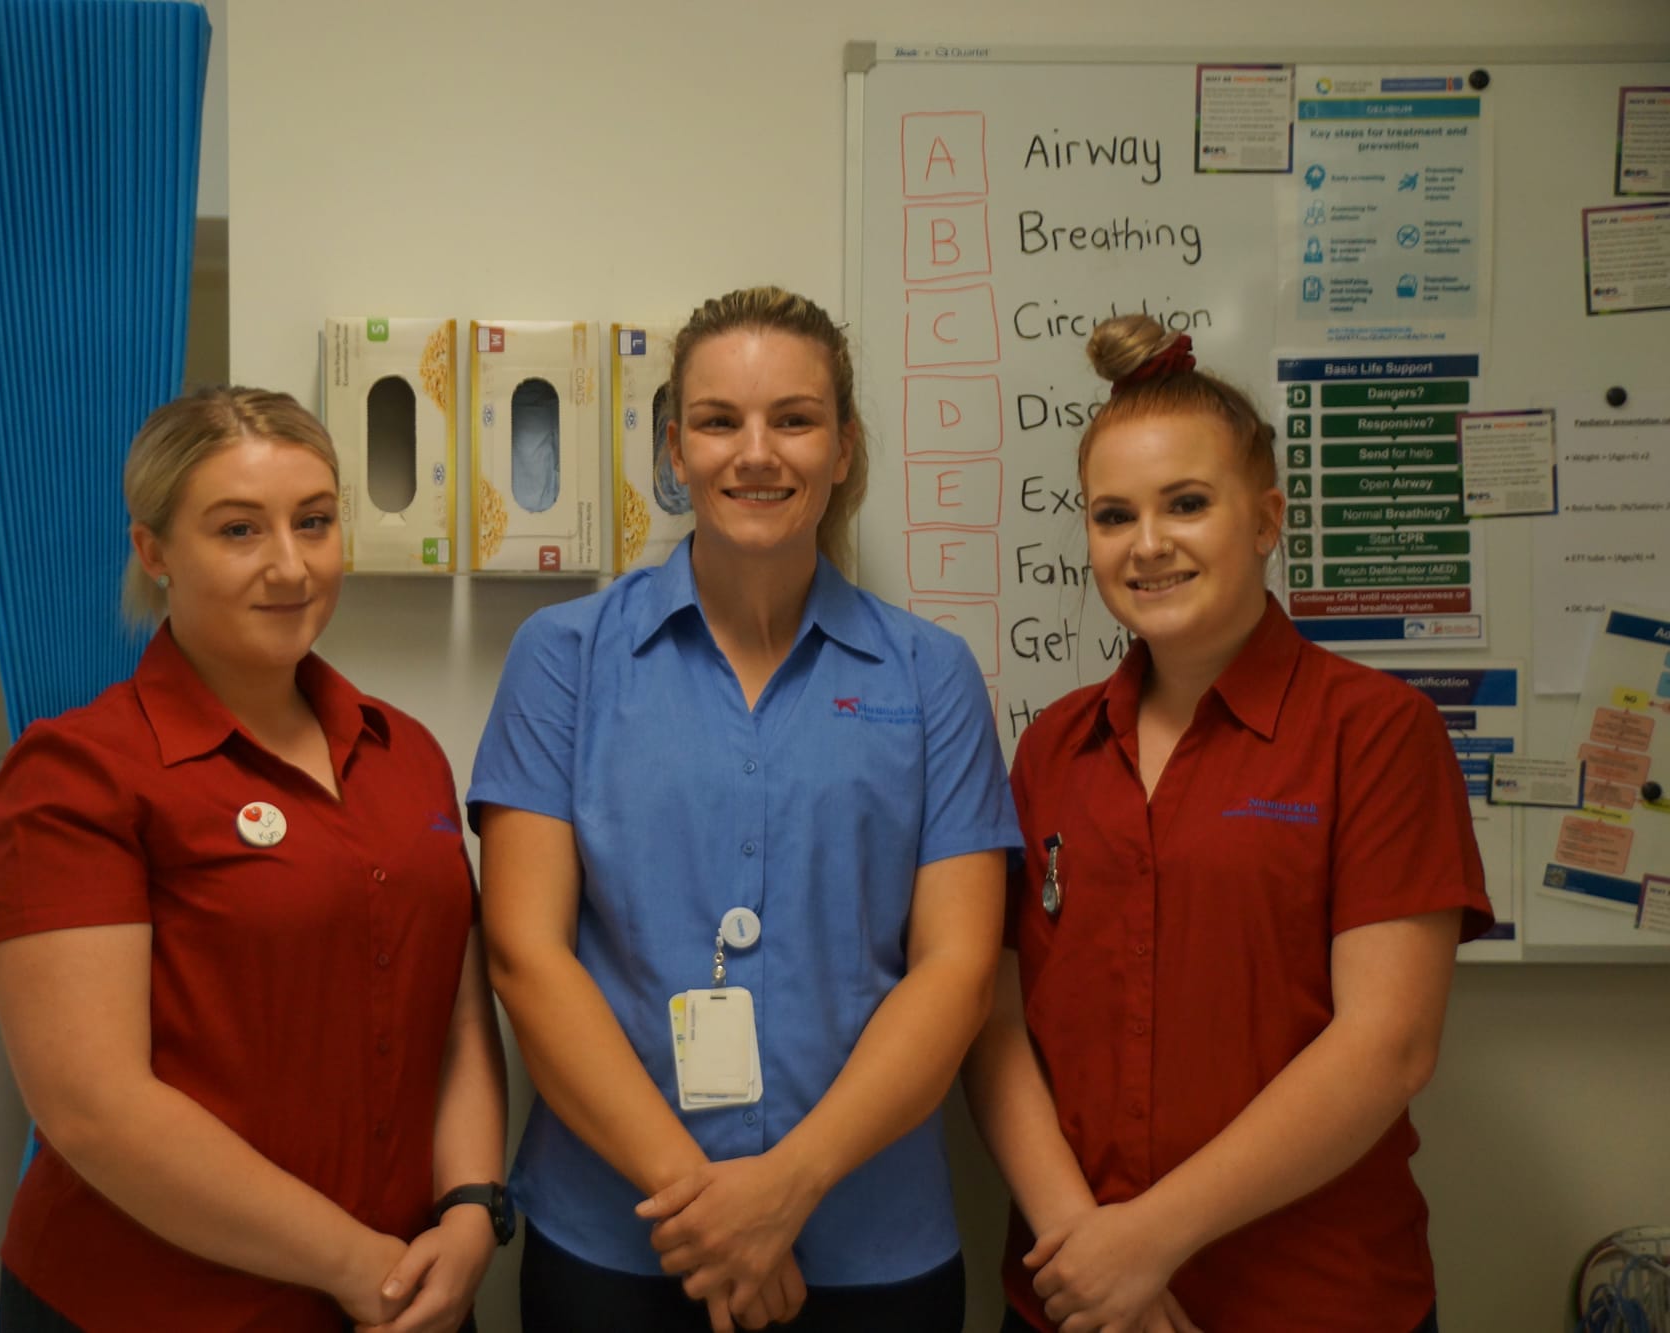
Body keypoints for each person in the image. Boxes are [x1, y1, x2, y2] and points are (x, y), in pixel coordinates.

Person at [470, 286, 1020, 1333]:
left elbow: (955, 971)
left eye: (795, 420)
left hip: (869, 1241)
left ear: (845, 448)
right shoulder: (565, 659)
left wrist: (785, 1188)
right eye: (719, 421)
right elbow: (524, 957)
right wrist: (709, 1209)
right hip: (622, 1232)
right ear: (673, 450)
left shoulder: (931, 674)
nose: (755, 453)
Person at [962, 317, 1493, 1333]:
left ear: (1264, 519)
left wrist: (1146, 1240)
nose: (1146, 543)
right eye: (1112, 515)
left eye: (1186, 504)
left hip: (1310, 1300)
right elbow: (992, 1023)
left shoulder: (1375, 733)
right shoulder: (1052, 751)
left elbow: (1388, 1045)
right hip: (1075, 1299)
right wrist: (1088, 1245)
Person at [0, 387, 508, 1333]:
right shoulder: (76, 776)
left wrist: (472, 1208)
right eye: (237, 530)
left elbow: (457, 1020)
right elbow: (93, 1107)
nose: (290, 566)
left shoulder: (403, 751)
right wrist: (357, 1263)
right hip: (154, 1305)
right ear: (153, 552)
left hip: (406, 1294)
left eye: (314, 522)